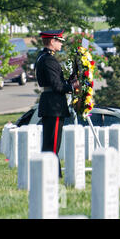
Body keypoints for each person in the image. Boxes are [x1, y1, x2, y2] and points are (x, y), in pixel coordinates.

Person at [35, 30, 79, 178]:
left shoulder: (44, 57)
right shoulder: (48, 60)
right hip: (54, 105)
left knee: (51, 143)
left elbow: (57, 82)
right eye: (59, 41)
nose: (61, 43)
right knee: (52, 144)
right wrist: (73, 87)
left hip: (51, 104)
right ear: (52, 41)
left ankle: (51, 173)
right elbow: (58, 87)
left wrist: (69, 81)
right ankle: (51, 174)